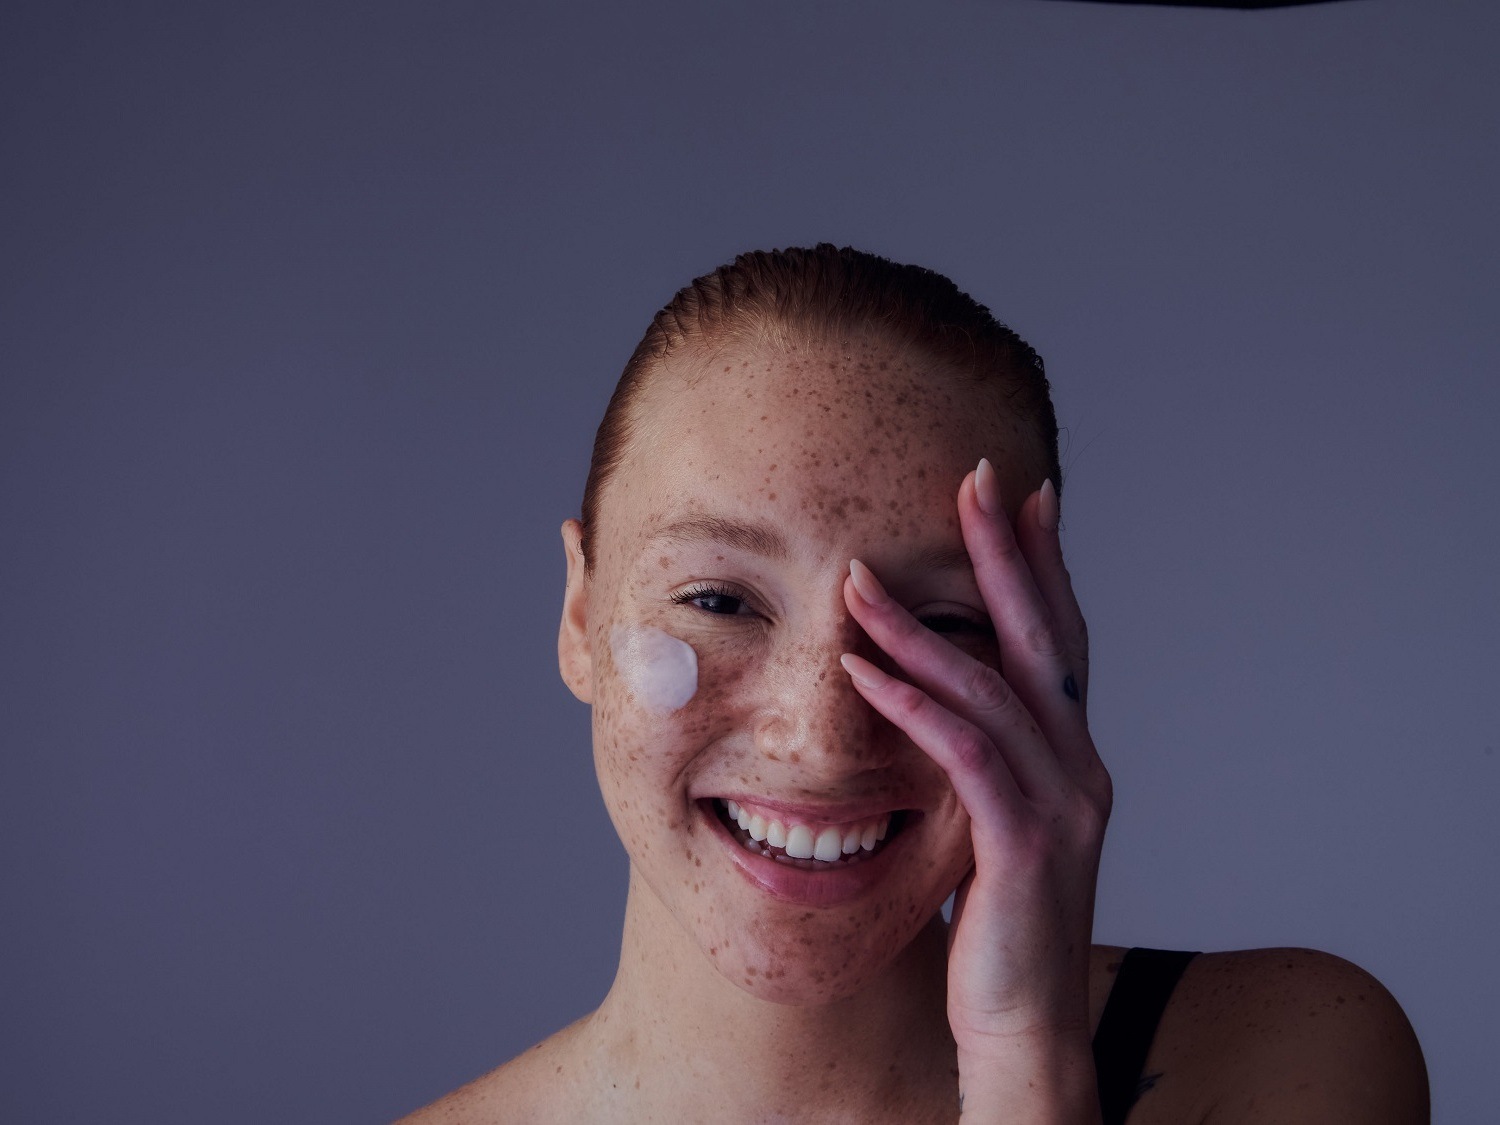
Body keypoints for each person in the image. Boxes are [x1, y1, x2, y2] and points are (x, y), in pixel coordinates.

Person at [397, 245, 1429, 1123]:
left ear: (1039, 666)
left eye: (940, 625)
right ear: (581, 619)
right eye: (719, 601)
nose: (823, 734)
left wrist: (1026, 1059)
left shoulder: (1281, 1062)